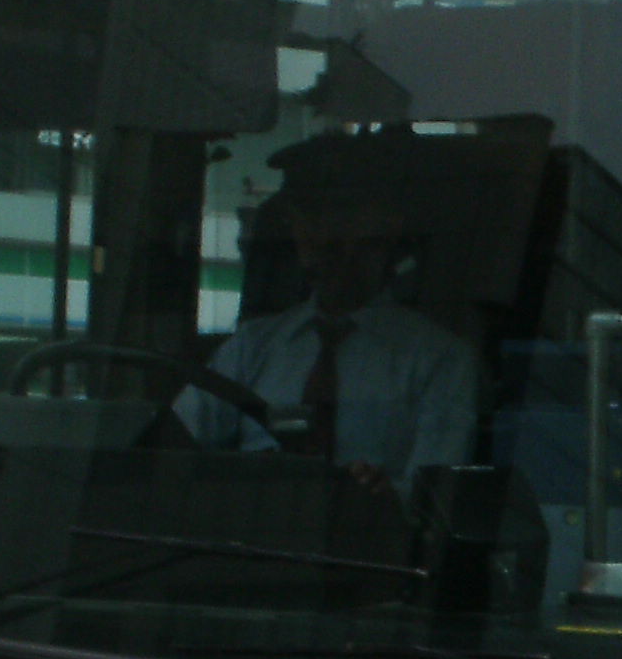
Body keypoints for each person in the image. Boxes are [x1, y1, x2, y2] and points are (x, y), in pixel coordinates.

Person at [181, 148, 477, 491]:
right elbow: (176, 441)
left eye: (338, 213)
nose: (319, 235)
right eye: (305, 217)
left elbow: (434, 494)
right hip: (251, 531)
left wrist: (380, 491)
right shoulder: (252, 346)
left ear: (386, 224)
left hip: (366, 536)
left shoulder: (439, 358)